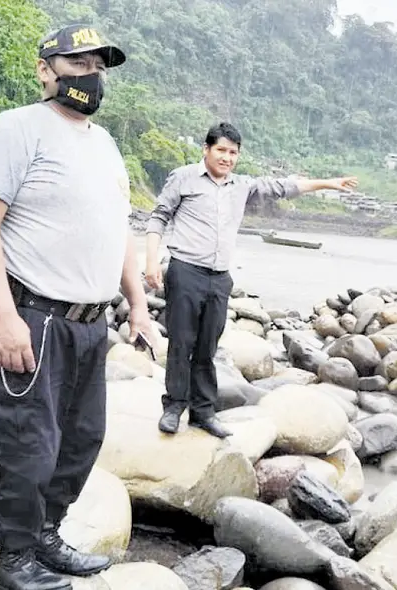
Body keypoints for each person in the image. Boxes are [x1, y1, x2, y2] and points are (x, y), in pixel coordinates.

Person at [0, 24, 154, 590]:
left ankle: (46, 536)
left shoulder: (105, 144)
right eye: (76, 63)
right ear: (46, 69)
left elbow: (117, 229)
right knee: (30, 442)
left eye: (98, 64)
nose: (89, 74)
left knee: (80, 439)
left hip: (92, 323)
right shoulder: (19, 128)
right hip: (35, 318)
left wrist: (137, 304)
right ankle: (14, 560)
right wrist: (2, 317)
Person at [144, 122, 358, 438]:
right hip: (185, 271)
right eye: (221, 150)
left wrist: (327, 183)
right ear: (206, 149)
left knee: (207, 347)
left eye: (233, 152)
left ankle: (203, 412)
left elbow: (283, 186)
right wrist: (151, 260)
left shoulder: (242, 186)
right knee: (181, 343)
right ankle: (174, 407)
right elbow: (159, 216)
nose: (227, 158)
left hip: (219, 279)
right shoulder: (184, 177)